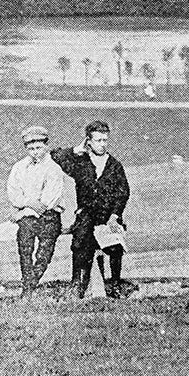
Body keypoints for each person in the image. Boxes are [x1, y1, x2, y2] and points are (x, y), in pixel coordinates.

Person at [53, 120, 132, 299]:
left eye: (105, 140)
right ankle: (77, 285)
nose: (102, 144)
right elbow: (55, 157)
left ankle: (115, 284)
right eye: (98, 140)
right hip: (86, 215)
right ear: (89, 141)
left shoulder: (115, 165)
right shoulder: (81, 163)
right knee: (80, 244)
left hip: (107, 216)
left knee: (115, 248)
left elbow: (123, 193)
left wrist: (114, 215)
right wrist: (76, 150)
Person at [6, 125, 68, 297]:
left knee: (43, 254)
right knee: (24, 247)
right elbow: (13, 194)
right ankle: (27, 287)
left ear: (46, 146)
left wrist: (25, 210)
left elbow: (48, 201)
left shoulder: (53, 169)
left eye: (38, 148)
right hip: (27, 217)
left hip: (48, 217)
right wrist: (28, 202)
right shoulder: (19, 167)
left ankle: (30, 284)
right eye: (31, 148)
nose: (35, 152)